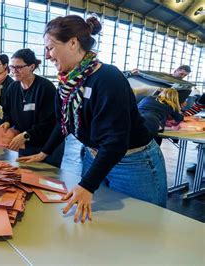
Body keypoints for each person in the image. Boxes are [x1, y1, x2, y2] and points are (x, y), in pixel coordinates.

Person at [18, 15, 167, 223]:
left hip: (133, 163)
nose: (47, 56)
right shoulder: (68, 82)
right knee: (98, 225)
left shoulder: (108, 78)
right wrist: (45, 152)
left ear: (72, 43)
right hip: (94, 156)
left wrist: (88, 185)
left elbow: (115, 142)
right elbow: (64, 123)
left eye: (50, 48)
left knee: (140, 225)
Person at [0, 48, 64, 168]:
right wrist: (7, 122)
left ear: (32, 67)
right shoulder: (12, 88)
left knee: (45, 179)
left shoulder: (45, 88)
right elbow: (7, 111)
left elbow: (50, 123)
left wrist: (26, 134)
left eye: (19, 67)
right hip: (25, 143)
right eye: (12, 67)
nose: (14, 71)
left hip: (46, 145)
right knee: (25, 175)